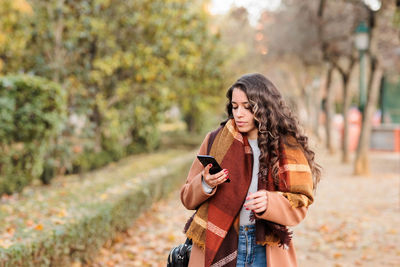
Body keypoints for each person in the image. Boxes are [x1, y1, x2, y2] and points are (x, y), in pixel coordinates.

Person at [180, 73, 321, 267]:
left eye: (247, 107)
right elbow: (187, 196)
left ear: (265, 108)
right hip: (218, 243)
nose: (239, 114)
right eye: (235, 106)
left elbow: (300, 204)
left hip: (264, 248)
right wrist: (205, 183)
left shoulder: (287, 147)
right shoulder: (215, 141)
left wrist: (269, 203)